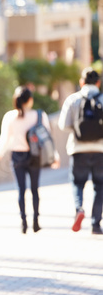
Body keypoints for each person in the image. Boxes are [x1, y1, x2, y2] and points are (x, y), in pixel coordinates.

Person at [0, 86, 60, 233]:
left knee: (21, 190)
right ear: (30, 100)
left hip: (17, 156)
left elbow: (4, 139)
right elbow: (48, 139)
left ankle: (24, 223)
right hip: (34, 156)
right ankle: (36, 222)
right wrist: (55, 156)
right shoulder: (39, 115)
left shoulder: (9, 116)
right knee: (35, 190)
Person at [58, 67, 103, 234]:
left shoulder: (72, 100)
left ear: (81, 82)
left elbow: (63, 125)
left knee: (77, 183)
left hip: (77, 149)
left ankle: (79, 209)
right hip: (100, 150)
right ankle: (96, 224)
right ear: (98, 82)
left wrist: (78, 131)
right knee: (100, 187)